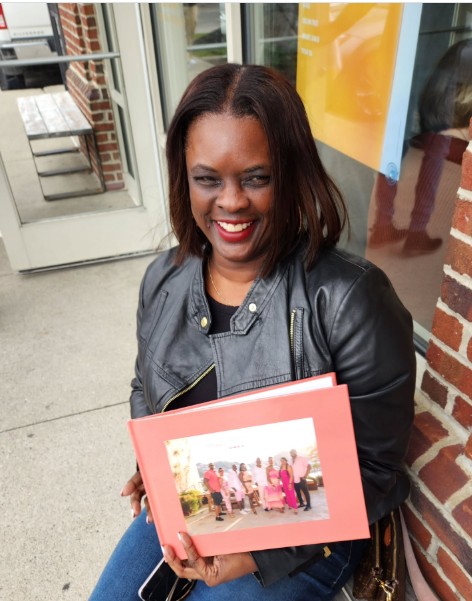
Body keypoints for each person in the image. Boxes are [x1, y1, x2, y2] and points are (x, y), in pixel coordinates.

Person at [89, 63, 416, 601]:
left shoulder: (350, 300)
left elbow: (375, 471)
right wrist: (155, 466)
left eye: (256, 178)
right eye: (208, 179)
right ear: (185, 179)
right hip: (198, 501)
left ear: (292, 174)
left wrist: (255, 556)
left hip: (310, 535)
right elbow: (144, 388)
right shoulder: (163, 280)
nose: (231, 201)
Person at [368, 39, 472, 255]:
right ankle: (415, 233)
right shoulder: (465, 52)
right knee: (432, 153)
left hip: (404, 78)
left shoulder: (461, 51)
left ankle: (383, 225)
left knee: (392, 154)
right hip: (431, 91)